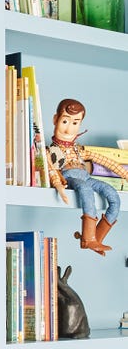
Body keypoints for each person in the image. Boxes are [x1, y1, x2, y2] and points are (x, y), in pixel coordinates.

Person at [46, 97, 120, 255]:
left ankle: (96, 240)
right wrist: (58, 184)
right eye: (65, 122)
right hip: (71, 177)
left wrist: (123, 173)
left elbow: (104, 160)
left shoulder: (80, 149)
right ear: (55, 119)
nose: (69, 129)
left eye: (75, 123)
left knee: (113, 195)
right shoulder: (50, 151)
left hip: (86, 176)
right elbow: (51, 169)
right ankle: (88, 238)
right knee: (85, 189)